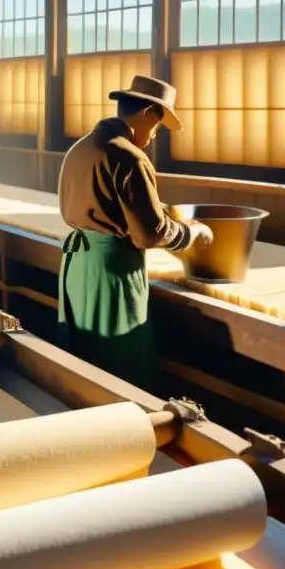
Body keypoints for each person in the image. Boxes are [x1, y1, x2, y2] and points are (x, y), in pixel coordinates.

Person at [56, 75, 213, 392]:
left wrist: (158, 208)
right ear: (148, 113)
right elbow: (149, 235)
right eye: (158, 125)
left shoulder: (82, 147)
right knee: (122, 366)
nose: (155, 136)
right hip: (113, 272)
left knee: (86, 360)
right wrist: (190, 232)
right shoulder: (129, 157)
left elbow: (108, 202)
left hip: (77, 268)